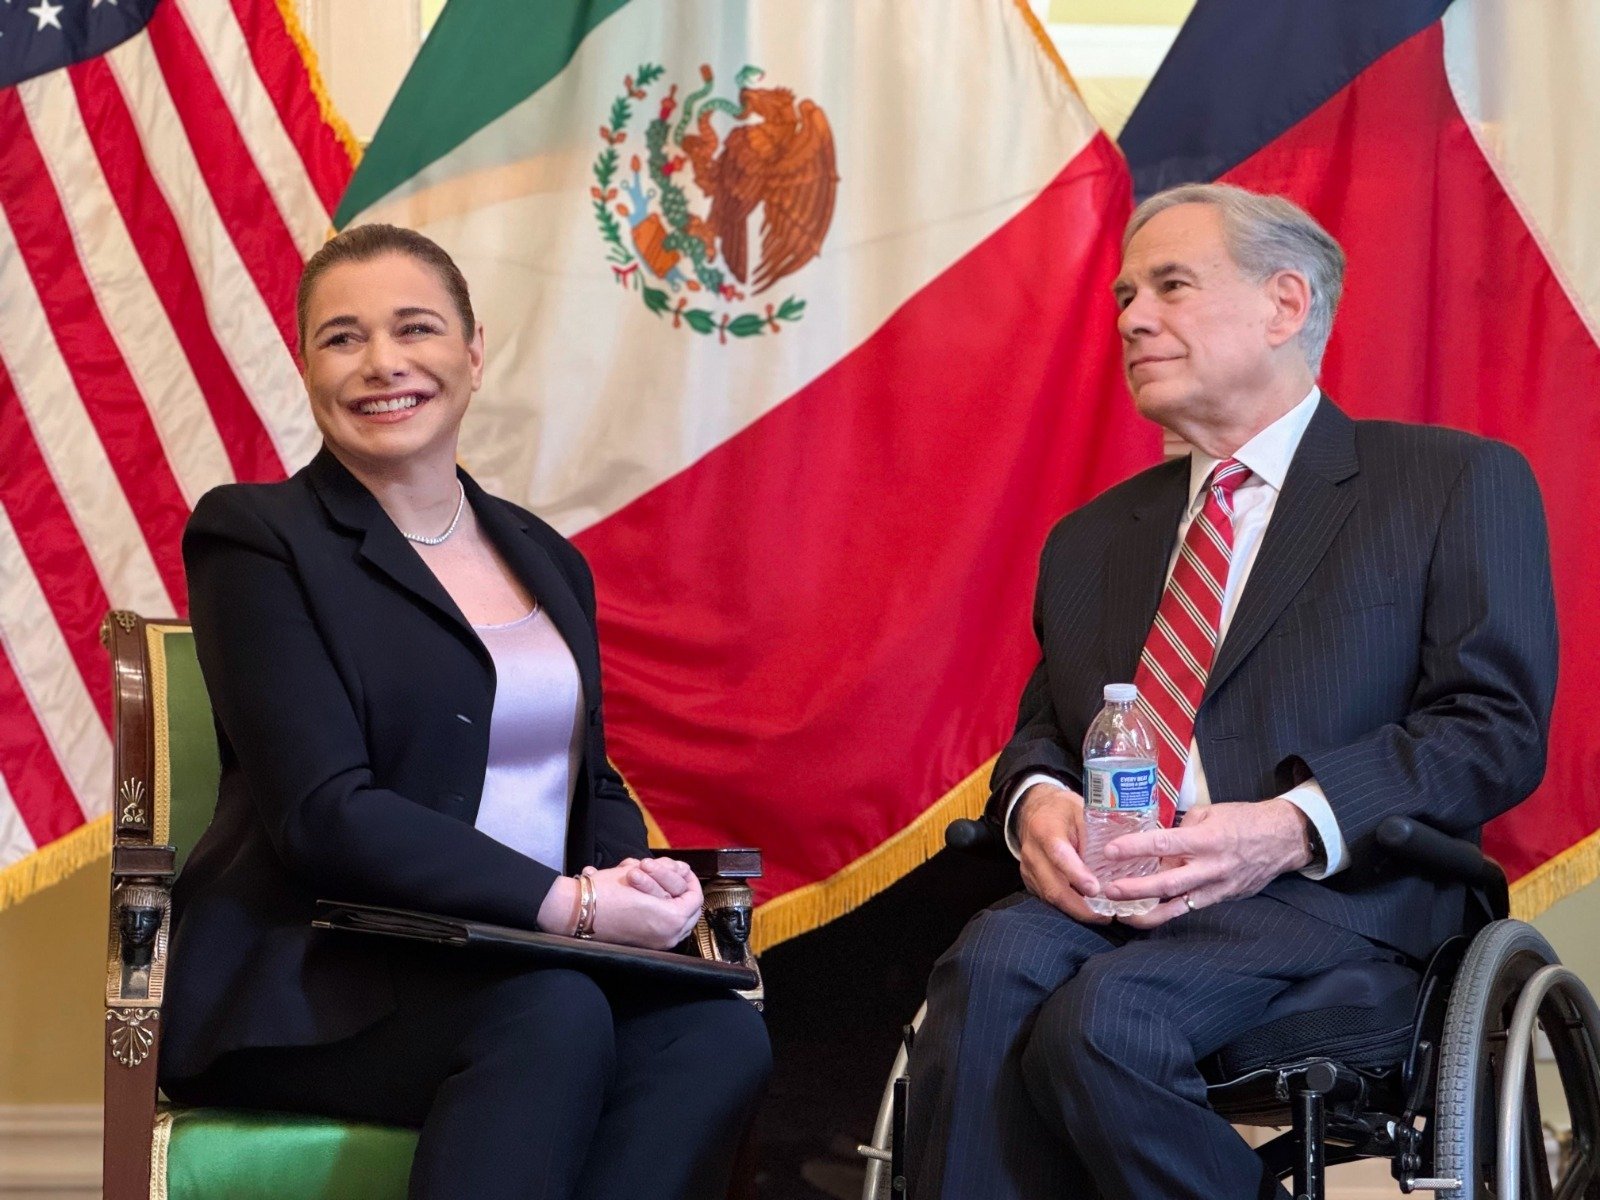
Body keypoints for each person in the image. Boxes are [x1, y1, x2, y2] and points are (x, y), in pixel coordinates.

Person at [905, 183, 1557, 1199]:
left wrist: (1287, 827)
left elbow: (1495, 730)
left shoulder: (1448, 483)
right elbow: (1045, 733)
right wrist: (1035, 803)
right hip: (1123, 886)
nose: (1131, 319)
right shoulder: (1091, 540)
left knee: (1105, 1023)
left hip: (1340, 893)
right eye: (1125, 296)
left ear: (1284, 304)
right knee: (986, 966)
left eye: (1170, 286)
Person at [160, 224, 771, 1200]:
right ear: (306, 365)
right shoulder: (256, 538)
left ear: (474, 353)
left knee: (712, 1034)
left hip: (514, 960)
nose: (382, 363)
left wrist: (628, 876)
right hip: (323, 971)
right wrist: (573, 910)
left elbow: (585, 779)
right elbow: (324, 812)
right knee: (554, 1013)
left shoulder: (547, 558)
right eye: (343, 338)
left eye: (415, 328)